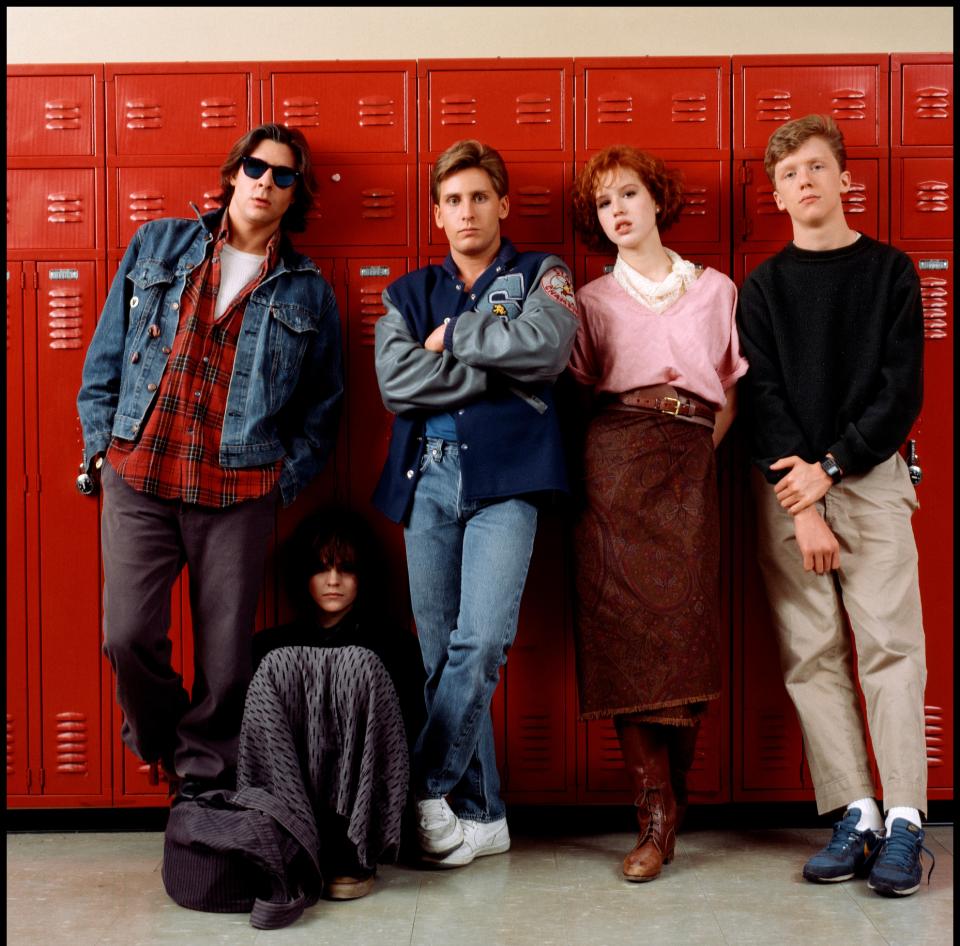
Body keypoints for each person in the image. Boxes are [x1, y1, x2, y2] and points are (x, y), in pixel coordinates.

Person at [76, 123, 344, 804]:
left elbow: (323, 406)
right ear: (233, 173)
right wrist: (102, 448)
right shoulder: (159, 243)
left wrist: (281, 484)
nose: (266, 183)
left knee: (226, 667)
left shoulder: (307, 290)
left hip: (238, 489)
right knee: (127, 636)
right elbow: (106, 355)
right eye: (257, 167)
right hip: (141, 475)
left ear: (295, 195)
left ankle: (203, 785)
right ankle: (170, 748)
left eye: (284, 176)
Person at [736, 114, 934, 897]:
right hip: (788, 490)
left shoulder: (891, 272)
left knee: (891, 648)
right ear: (776, 192)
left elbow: (901, 390)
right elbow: (762, 397)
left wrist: (835, 468)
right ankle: (856, 811)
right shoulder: (764, 287)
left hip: (871, 479)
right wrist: (805, 497)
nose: (804, 182)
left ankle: (908, 821)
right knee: (811, 653)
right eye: (788, 174)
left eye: (816, 167)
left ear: (844, 177)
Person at [372, 139, 578, 867]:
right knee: (437, 658)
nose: (467, 211)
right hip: (426, 478)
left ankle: (423, 788)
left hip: (509, 481)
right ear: (437, 213)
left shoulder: (540, 276)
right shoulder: (405, 293)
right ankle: (483, 815)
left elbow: (547, 352)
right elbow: (398, 386)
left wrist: (456, 337)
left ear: (503, 204)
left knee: (481, 643)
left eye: (479, 197)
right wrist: (498, 372)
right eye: (453, 200)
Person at [568, 145, 747, 882]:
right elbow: (580, 394)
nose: (618, 210)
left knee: (684, 628)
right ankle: (655, 813)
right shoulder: (590, 300)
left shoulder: (716, 289)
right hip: (615, 466)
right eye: (605, 202)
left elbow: (730, 388)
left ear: (655, 200)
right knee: (624, 634)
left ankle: (677, 795)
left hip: (690, 461)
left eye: (629, 194)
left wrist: (702, 454)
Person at [237, 507, 425, 901]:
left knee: (359, 664)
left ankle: (351, 843)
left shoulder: (393, 646)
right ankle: (287, 834)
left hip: (363, 797)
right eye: (322, 568)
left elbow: (403, 741)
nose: (334, 581)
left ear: (364, 575)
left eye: (346, 569)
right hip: (294, 789)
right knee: (278, 665)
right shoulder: (271, 647)